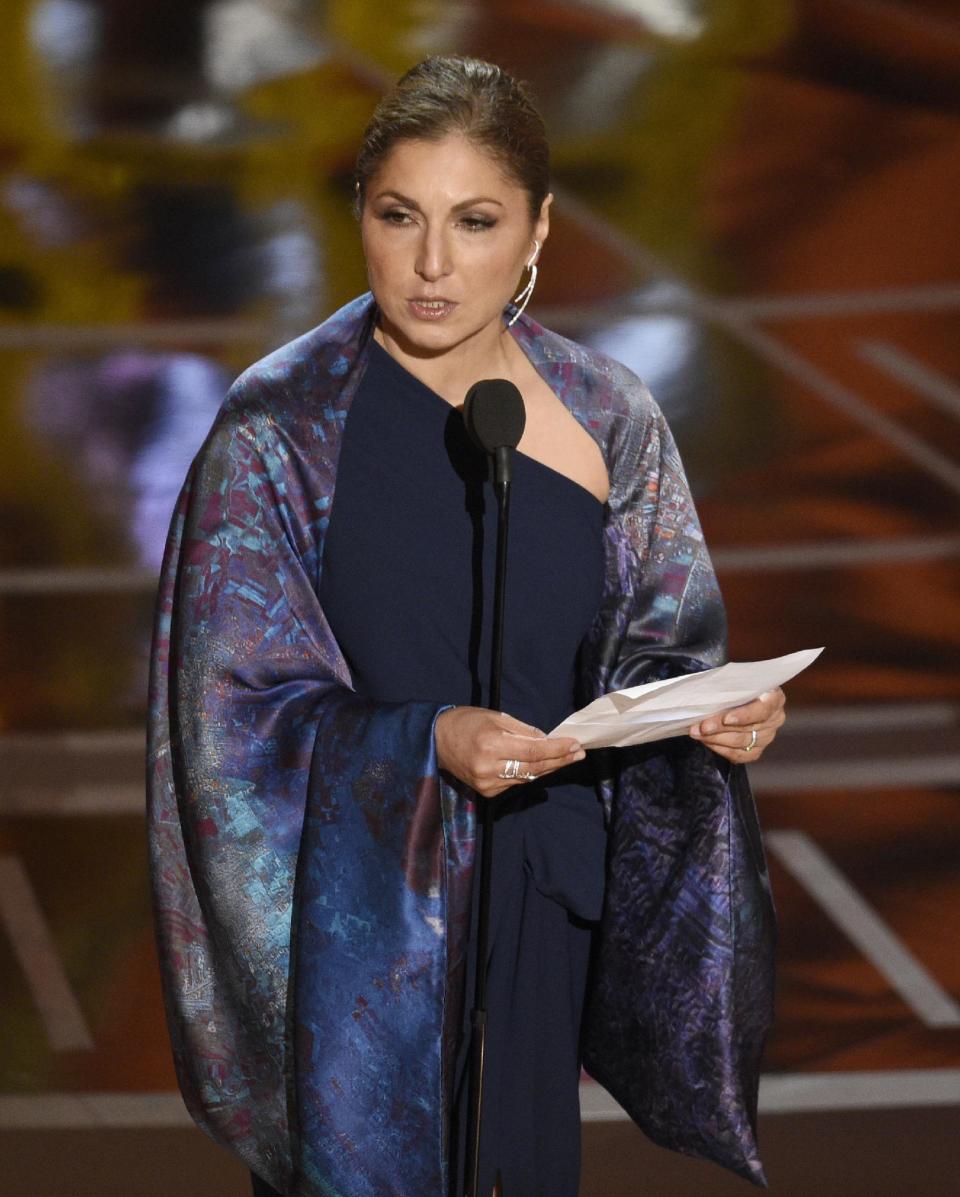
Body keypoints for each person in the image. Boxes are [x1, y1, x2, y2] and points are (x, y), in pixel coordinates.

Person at [147, 56, 783, 1197]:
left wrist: (715, 712)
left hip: (538, 900)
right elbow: (227, 726)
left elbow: (659, 645)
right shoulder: (277, 434)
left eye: (475, 221)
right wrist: (422, 740)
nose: (433, 263)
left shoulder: (609, 418)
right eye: (401, 216)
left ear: (536, 232)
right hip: (360, 929)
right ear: (361, 221)